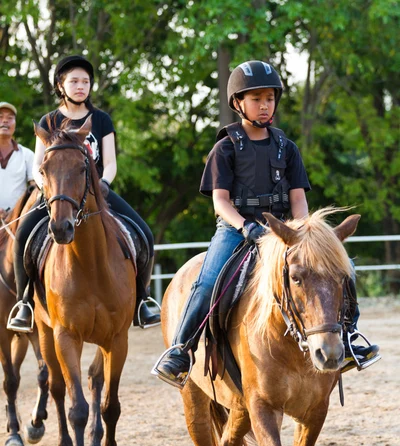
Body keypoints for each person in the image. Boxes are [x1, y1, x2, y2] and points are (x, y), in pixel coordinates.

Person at [152, 60, 380, 389]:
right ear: (238, 103)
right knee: (207, 282)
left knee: (343, 270)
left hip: (285, 232)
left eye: (270, 98)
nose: (264, 105)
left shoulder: (287, 148)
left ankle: (350, 338)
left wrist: (302, 231)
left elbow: (298, 199)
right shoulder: (225, 148)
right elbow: (220, 201)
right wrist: (246, 227)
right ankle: (181, 351)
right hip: (236, 230)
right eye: (257, 98)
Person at [7, 55, 160, 333]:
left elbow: (110, 161)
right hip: (56, 194)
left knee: (145, 234)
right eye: (74, 81)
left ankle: (142, 299)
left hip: (95, 191)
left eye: (85, 81)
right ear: (60, 85)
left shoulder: (101, 119)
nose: (81, 86)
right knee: (22, 240)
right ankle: (25, 304)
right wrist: (48, 189)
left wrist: (104, 183)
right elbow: (38, 165)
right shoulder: (49, 120)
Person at [0, 102, 35, 213]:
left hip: (16, 223)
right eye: (0, 117)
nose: (5, 121)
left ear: (15, 124)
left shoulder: (27, 155)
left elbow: (36, 190)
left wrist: (15, 214)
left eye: (10, 118)